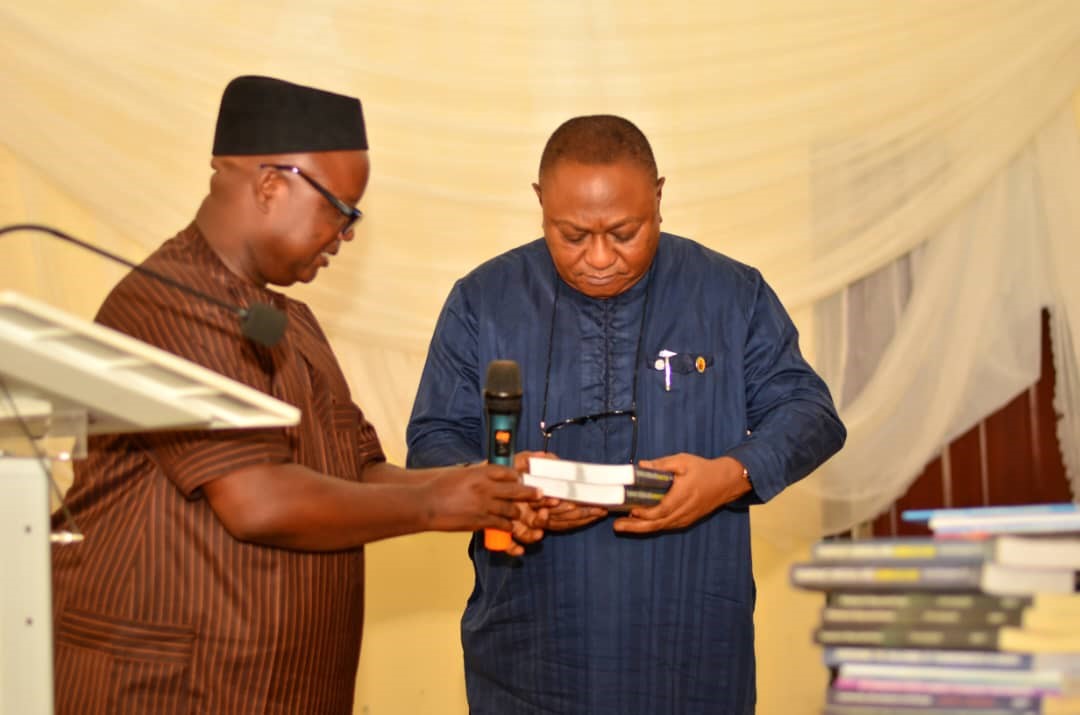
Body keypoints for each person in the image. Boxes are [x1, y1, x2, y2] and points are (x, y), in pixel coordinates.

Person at [50, 75, 541, 715]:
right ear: (270, 184)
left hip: (276, 690)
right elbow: (255, 500)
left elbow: (359, 472)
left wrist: (485, 489)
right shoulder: (167, 301)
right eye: (342, 209)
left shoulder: (289, 323)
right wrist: (434, 503)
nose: (348, 233)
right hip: (168, 690)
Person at [406, 114, 847, 714]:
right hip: (527, 650)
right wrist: (499, 484)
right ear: (539, 204)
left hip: (692, 649)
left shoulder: (729, 293)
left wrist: (730, 476)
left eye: (624, 232)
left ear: (659, 197)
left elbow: (810, 413)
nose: (599, 257)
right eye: (571, 235)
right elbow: (433, 441)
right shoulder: (482, 302)